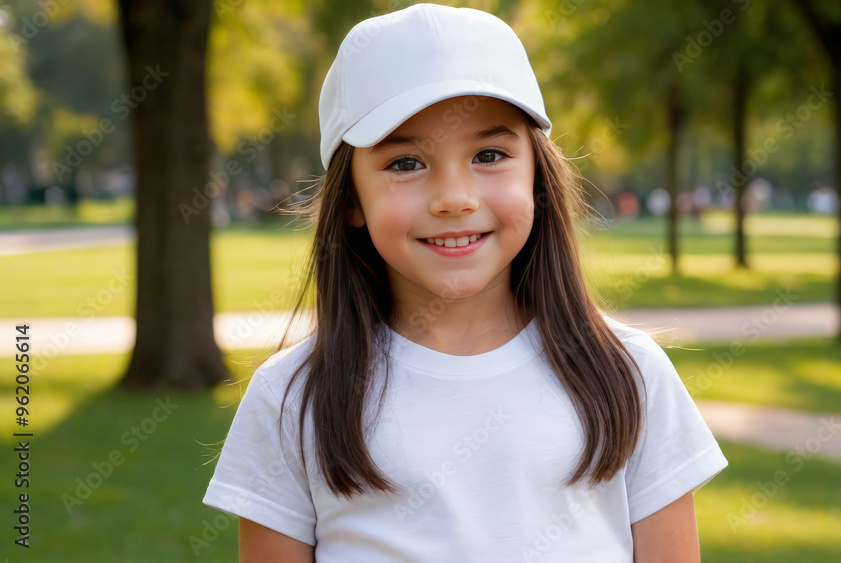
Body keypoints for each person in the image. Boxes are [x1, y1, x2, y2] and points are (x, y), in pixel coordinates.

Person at [201, 4, 728, 562]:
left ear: (537, 177)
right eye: (405, 163)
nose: (455, 197)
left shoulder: (631, 373)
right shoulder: (291, 398)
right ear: (352, 198)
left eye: (490, 155)